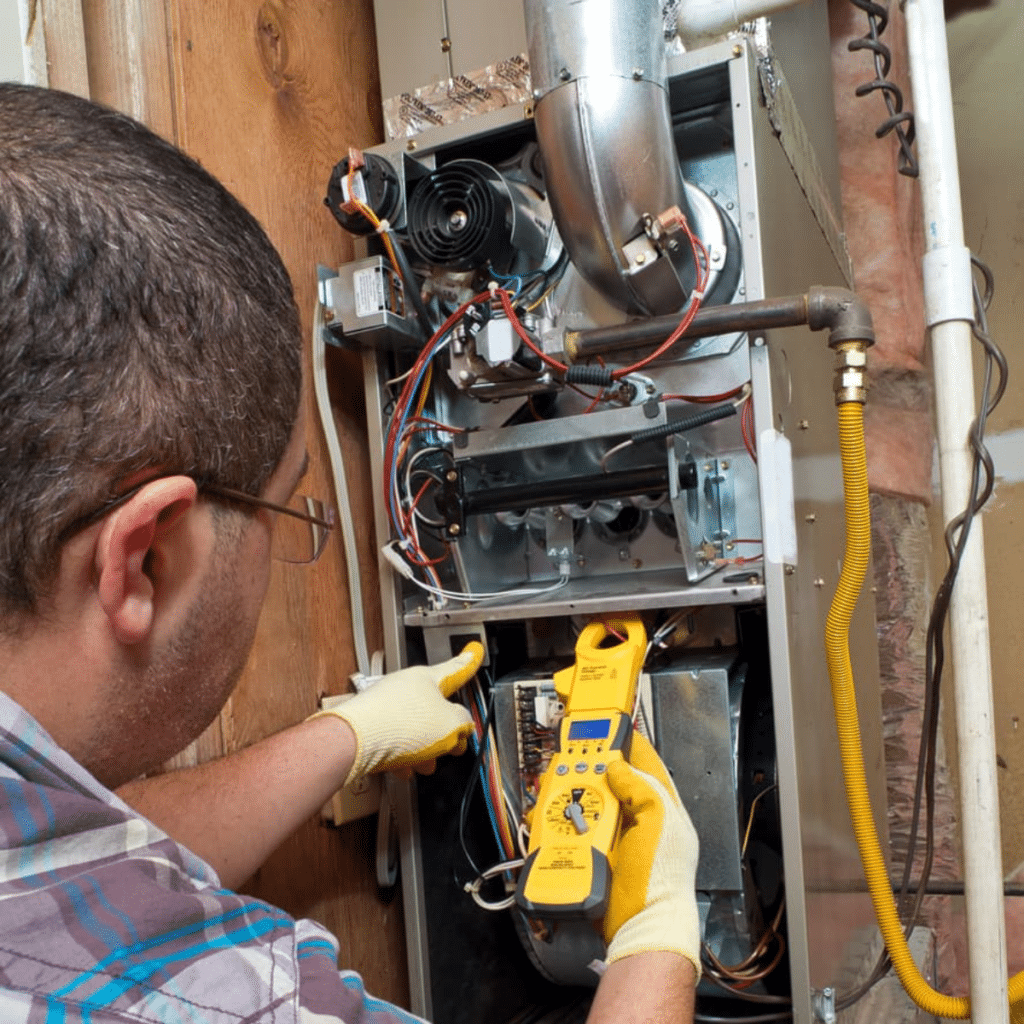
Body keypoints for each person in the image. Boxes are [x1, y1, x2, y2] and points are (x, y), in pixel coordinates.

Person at [0, 83, 701, 1023]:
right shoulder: (222, 1006)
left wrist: (349, 737)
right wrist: (660, 938)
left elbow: (78, 873)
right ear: (147, 560)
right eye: (288, 508)